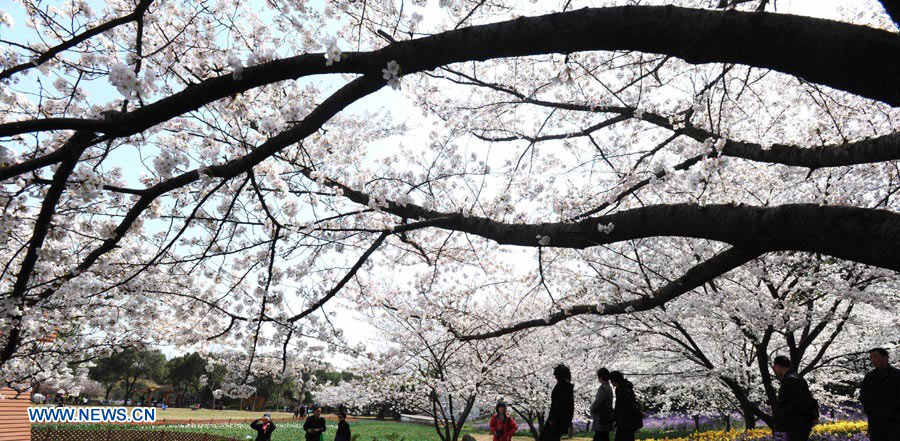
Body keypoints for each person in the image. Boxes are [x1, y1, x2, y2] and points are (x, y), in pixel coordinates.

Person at [771, 356, 819, 441]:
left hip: (796, 425)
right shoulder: (794, 378)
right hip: (796, 424)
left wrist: (812, 416)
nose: (774, 370)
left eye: (774, 367)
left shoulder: (791, 380)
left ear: (778, 366)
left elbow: (802, 401)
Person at [860, 348, 900, 441]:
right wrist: (870, 410)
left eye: (875, 357)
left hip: (895, 422)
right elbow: (863, 395)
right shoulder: (869, 377)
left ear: (886, 357)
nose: (873, 360)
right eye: (871, 358)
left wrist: (893, 411)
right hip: (875, 422)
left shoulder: (897, 375)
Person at [541, 364, 574, 441]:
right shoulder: (568, 386)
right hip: (563, 419)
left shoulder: (561, 386)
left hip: (556, 419)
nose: (554, 375)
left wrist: (552, 419)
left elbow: (557, 404)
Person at [609, 371, 642, 441]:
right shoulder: (625, 388)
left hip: (625, 423)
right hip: (625, 423)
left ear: (615, 381)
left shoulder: (623, 391)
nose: (611, 383)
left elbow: (628, 407)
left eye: (611, 381)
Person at [590, 368, 615, 441]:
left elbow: (598, 402)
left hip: (602, 418)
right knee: (604, 436)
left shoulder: (603, 388)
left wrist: (592, 409)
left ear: (600, 377)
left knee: (599, 437)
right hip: (607, 417)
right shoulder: (609, 387)